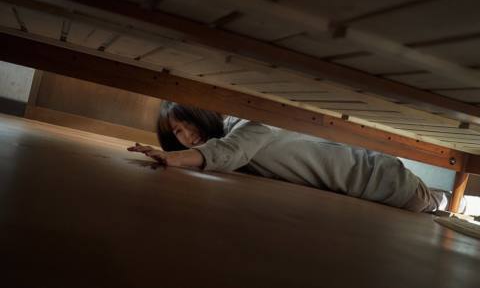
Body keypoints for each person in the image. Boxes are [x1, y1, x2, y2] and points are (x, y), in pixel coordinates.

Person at [128, 101, 462, 213]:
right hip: (365, 181)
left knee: (430, 203)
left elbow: (229, 152)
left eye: (187, 124)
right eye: (177, 133)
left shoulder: (247, 126)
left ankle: (450, 202)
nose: (187, 136)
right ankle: (445, 201)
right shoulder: (223, 148)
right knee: (429, 202)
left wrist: (177, 159)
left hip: (380, 179)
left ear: (203, 115)